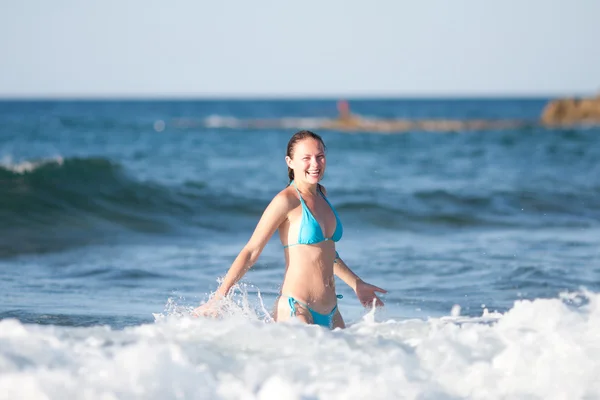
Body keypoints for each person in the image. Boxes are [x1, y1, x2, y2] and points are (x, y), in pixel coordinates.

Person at [193, 130, 387, 329]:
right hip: (297, 309)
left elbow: (326, 253)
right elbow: (251, 251)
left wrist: (356, 283)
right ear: (290, 161)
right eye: (306, 158)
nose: (315, 164)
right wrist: (219, 297)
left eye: (320, 157)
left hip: (332, 311)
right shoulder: (286, 200)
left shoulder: (322, 194)